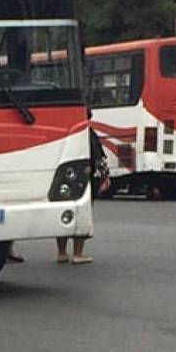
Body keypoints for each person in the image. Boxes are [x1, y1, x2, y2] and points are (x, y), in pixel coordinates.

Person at [56, 113, 108, 265]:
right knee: (82, 215)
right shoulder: (87, 133)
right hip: (84, 179)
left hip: (64, 178)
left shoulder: (65, 131)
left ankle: (61, 252)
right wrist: (105, 176)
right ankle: (78, 253)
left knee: (64, 213)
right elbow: (99, 157)